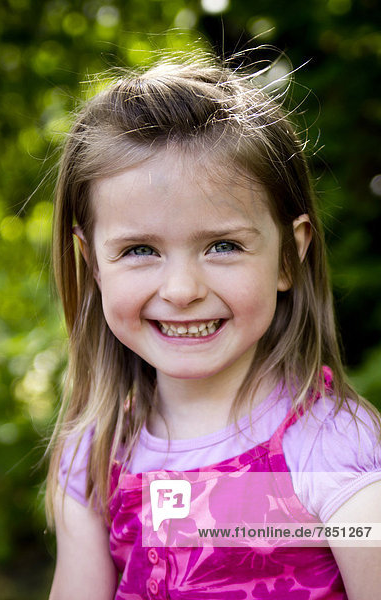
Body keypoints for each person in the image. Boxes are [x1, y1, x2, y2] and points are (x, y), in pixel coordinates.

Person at [46, 53, 381, 599]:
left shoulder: (330, 447)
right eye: (138, 249)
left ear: (287, 258)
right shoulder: (95, 455)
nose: (182, 290)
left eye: (223, 245)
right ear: (92, 265)